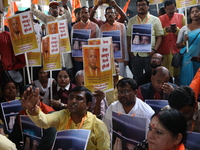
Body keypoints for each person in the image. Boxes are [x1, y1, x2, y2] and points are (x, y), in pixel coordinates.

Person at [20, 86, 110, 150]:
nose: (73, 101)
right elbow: (44, 122)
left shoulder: (98, 125)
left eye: (79, 99)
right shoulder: (62, 115)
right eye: (71, 98)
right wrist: (32, 109)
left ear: (88, 105)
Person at [9, 84, 56, 150]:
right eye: (23, 99)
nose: (26, 102)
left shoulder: (50, 114)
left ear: (38, 98)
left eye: (30, 98)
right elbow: (14, 138)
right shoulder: (21, 114)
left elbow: (48, 143)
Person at [127, 0, 163, 83]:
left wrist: (154, 50)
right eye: (139, 5)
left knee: (150, 77)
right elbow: (129, 37)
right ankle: (138, 94)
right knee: (136, 78)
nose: (141, 7)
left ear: (148, 6)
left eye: (143, 5)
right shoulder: (131, 21)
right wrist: (129, 50)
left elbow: (159, 37)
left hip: (149, 54)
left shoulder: (155, 20)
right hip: (136, 54)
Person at [158, 0, 186, 84]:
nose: (171, 11)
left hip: (177, 50)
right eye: (168, 9)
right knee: (165, 74)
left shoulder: (182, 17)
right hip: (164, 50)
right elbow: (157, 34)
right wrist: (165, 30)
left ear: (175, 8)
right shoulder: (159, 19)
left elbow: (186, 32)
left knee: (178, 74)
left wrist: (176, 30)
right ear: (165, 9)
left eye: (172, 9)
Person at [100, 6, 129, 77]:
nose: (110, 14)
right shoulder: (102, 28)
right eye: (108, 13)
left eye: (112, 12)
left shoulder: (121, 26)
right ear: (105, 16)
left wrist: (126, 58)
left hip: (120, 57)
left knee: (121, 76)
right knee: (109, 77)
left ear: (115, 15)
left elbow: (125, 43)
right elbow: (100, 45)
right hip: (107, 57)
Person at [176, 5, 200, 86]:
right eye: (192, 12)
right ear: (189, 15)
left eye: (197, 11)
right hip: (187, 59)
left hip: (198, 59)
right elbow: (177, 45)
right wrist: (184, 42)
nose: (195, 14)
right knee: (186, 81)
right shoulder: (184, 29)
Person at [72, 6, 99, 73]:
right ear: (80, 14)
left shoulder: (95, 26)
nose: (84, 14)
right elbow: (72, 43)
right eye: (82, 13)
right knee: (79, 76)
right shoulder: (75, 26)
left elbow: (99, 42)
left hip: (91, 58)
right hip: (78, 58)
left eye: (86, 12)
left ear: (89, 14)